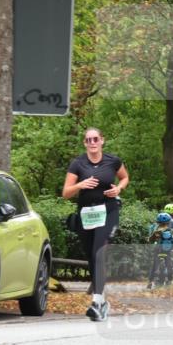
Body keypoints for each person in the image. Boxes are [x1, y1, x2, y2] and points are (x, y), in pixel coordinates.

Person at [62, 127, 129, 321]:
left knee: (99, 252)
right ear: (85, 143)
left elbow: (125, 178)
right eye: (88, 140)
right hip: (86, 214)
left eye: (95, 139)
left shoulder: (112, 161)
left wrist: (119, 188)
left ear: (102, 141)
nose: (92, 142)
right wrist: (80, 185)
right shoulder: (77, 164)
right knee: (92, 256)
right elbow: (66, 193)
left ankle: (96, 302)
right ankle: (102, 301)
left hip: (108, 211)